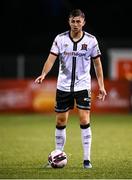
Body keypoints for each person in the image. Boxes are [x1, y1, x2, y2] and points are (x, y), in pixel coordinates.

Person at [35, 9, 107, 169]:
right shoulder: (60, 39)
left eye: (78, 21)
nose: (75, 24)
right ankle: (57, 156)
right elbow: (51, 59)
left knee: (84, 119)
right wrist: (43, 74)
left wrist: (101, 86)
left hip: (83, 85)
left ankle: (87, 160)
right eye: (73, 21)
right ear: (69, 22)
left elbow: (97, 64)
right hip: (63, 86)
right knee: (61, 121)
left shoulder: (91, 40)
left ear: (83, 22)